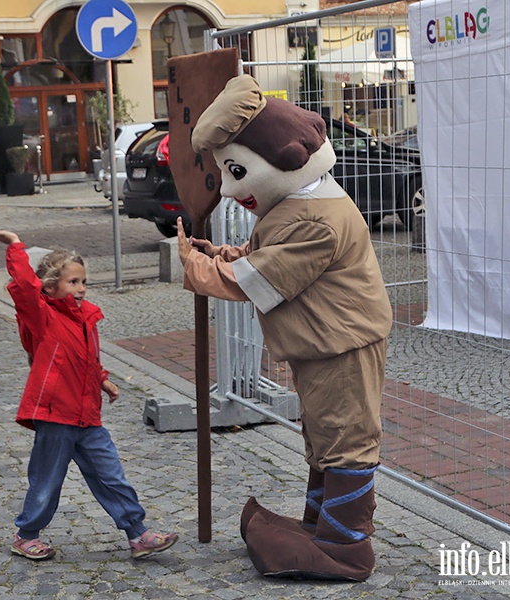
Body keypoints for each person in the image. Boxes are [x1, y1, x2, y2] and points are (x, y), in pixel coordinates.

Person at [176, 75, 392, 581]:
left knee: (346, 439)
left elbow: (262, 279)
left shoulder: (315, 217)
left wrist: (197, 266)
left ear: (289, 158)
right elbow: (266, 256)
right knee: (324, 438)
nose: (229, 189)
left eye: (236, 172)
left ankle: (347, 546)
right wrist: (225, 254)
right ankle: (321, 526)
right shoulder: (300, 203)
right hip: (323, 343)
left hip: (342, 344)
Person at [0, 228, 178, 561]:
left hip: (87, 416)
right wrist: (16, 247)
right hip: (55, 416)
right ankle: (26, 536)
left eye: (83, 282)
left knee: (111, 476)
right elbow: (25, 289)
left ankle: (138, 534)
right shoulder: (43, 317)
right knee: (46, 482)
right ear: (51, 287)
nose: (81, 289)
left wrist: (103, 380)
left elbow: (85, 358)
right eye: (73, 282)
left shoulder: (86, 318)